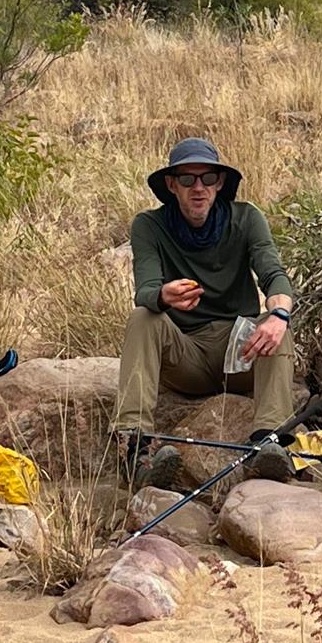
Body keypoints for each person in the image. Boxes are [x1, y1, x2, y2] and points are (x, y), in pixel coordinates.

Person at [115, 138, 298, 488]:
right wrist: (165, 297)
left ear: (220, 183)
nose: (198, 188)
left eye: (207, 178)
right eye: (187, 179)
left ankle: (268, 443)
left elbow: (274, 275)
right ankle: (134, 447)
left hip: (241, 351)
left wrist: (279, 316)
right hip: (186, 355)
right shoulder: (149, 226)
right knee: (142, 318)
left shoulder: (247, 218)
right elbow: (146, 290)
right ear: (172, 185)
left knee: (278, 325)